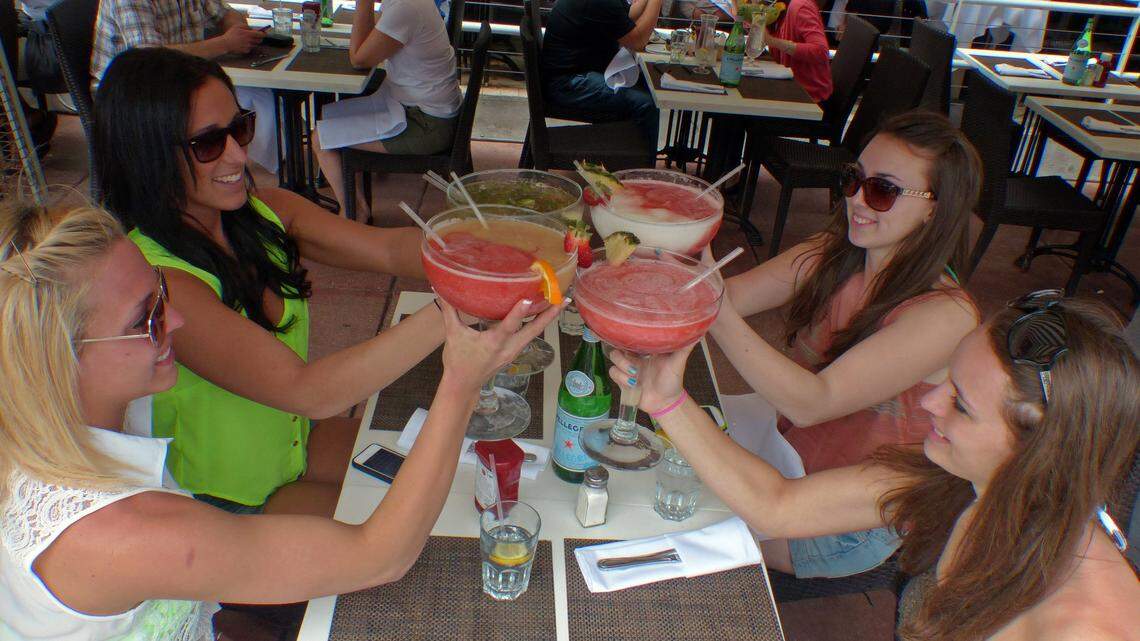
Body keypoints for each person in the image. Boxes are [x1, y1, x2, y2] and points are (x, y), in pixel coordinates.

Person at [0, 201, 564, 640]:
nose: (173, 319)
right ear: (61, 360)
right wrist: (461, 382)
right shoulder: (118, 533)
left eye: (161, 293)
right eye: (144, 318)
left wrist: (460, 303)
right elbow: (379, 556)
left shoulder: (78, 415)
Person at [610, 293, 1140, 641]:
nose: (930, 402)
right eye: (947, 379)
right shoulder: (965, 477)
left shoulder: (1089, 624)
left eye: (961, 404)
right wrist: (666, 401)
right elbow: (778, 505)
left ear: (1038, 446)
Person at [92, 48, 438, 518]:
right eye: (208, 143)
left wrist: (499, 245)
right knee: (408, 527)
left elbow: (388, 249)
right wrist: (455, 307)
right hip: (225, 500)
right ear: (148, 154)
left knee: (448, 475)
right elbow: (309, 390)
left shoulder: (265, 213)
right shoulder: (159, 280)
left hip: (293, 441)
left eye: (240, 127)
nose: (239, 152)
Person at [706, 111, 980, 578]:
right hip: (783, 452)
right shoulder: (840, 252)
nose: (857, 200)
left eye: (883, 190)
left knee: (687, 517)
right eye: (854, 180)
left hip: (844, 519)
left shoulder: (945, 315)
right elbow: (731, 295)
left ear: (936, 208)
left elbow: (815, 402)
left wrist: (707, 300)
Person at [89, 0, 278, 172]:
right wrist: (226, 43)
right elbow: (150, 56)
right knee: (243, 103)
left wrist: (238, 29)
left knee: (260, 96)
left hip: (178, 76)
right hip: (132, 90)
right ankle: (221, 173)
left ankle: (249, 167)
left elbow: (223, 12)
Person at [313, 0, 462, 215]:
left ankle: (354, 213)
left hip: (427, 126)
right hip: (423, 109)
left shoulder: (406, 7)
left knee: (321, 138)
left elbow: (359, 59)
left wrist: (363, 3)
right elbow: (371, 41)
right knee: (330, 117)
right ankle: (355, 207)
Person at [540, 0, 662, 146]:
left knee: (644, 85)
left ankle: (624, 157)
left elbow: (627, 15)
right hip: (568, 84)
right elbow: (638, 41)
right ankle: (639, 166)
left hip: (572, 75)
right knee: (646, 103)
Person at [764, 0, 832, 103]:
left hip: (810, 99)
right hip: (790, 88)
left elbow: (821, 51)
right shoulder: (778, 8)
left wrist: (773, 41)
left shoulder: (800, 6)